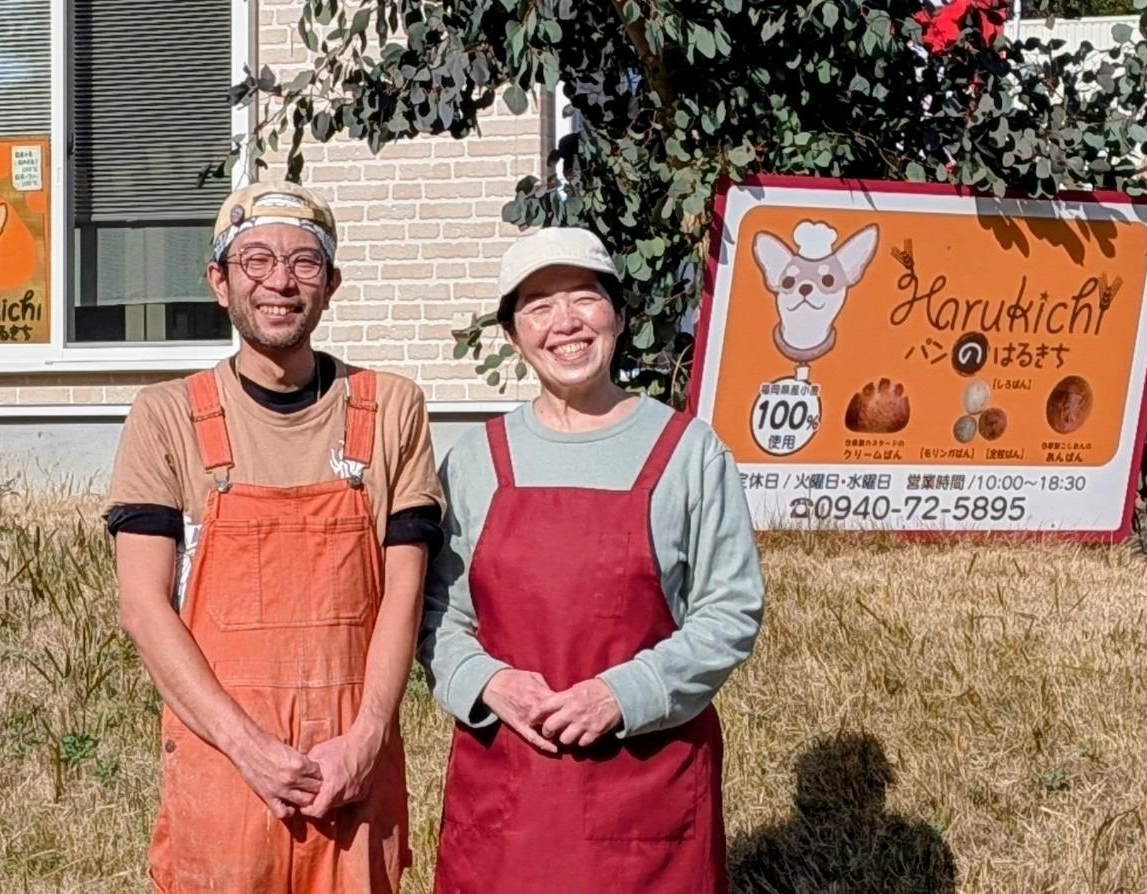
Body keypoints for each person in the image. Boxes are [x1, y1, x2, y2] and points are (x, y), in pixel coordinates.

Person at [105, 181, 444, 894]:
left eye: (304, 262)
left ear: (331, 284)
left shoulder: (391, 408)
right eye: (255, 260)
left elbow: (404, 594)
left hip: (351, 775)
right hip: (224, 771)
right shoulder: (166, 417)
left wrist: (366, 740)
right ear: (219, 282)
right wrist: (249, 749)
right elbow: (143, 607)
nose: (280, 283)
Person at [419, 227, 765, 893]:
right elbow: (437, 611)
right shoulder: (475, 460)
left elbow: (729, 611)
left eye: (584, 297)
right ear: (513, 336)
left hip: (646, 787)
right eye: (539, 306)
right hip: (509, 788)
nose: (566, 322)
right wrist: (488, 683)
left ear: (619, 316)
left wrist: (622, 694)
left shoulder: (688, 451)